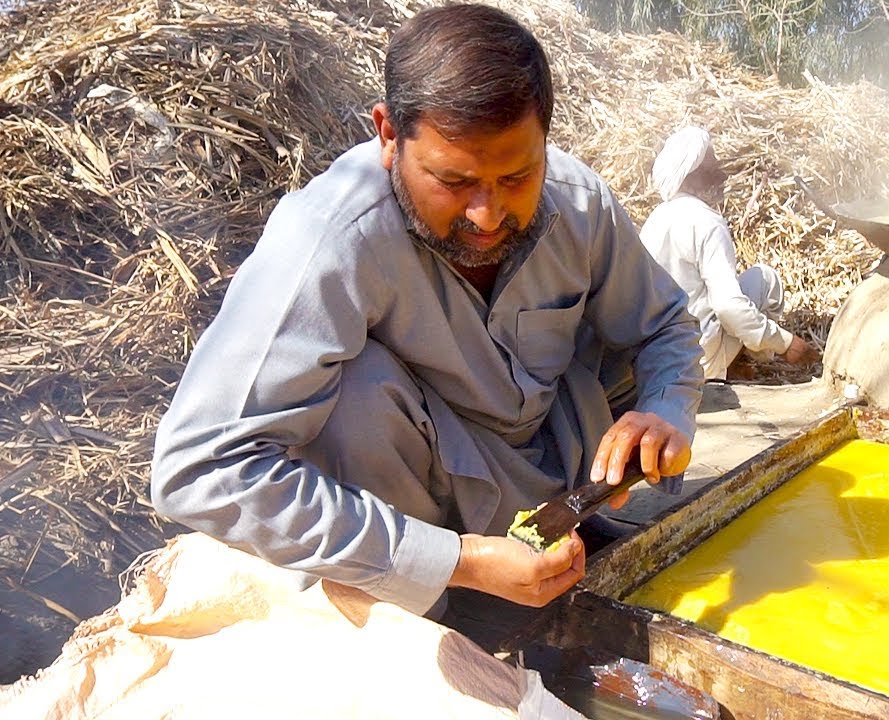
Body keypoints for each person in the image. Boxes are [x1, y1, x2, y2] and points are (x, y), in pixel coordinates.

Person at [150, 4, 703, 622]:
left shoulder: (577, 205)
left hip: (562, 504)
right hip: (420, 529)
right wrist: (456, 561)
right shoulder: (332, 239)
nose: (487, 215)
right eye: (454, 181)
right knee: (352, 395)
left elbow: (667, 326)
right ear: (389, 136)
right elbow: (198, 468)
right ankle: (435, 619)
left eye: (517, 176)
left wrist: (665, 409)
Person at [639, 127, 819, 381]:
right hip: (698, 362)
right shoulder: (707, 222)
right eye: (711, 172)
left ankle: (732, 361)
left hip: (657, 362)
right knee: (766, 280)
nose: (720, 178)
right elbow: (728, 305)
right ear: (690, 176)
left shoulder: (655, 220)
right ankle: (733, 365)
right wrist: (785, 343)